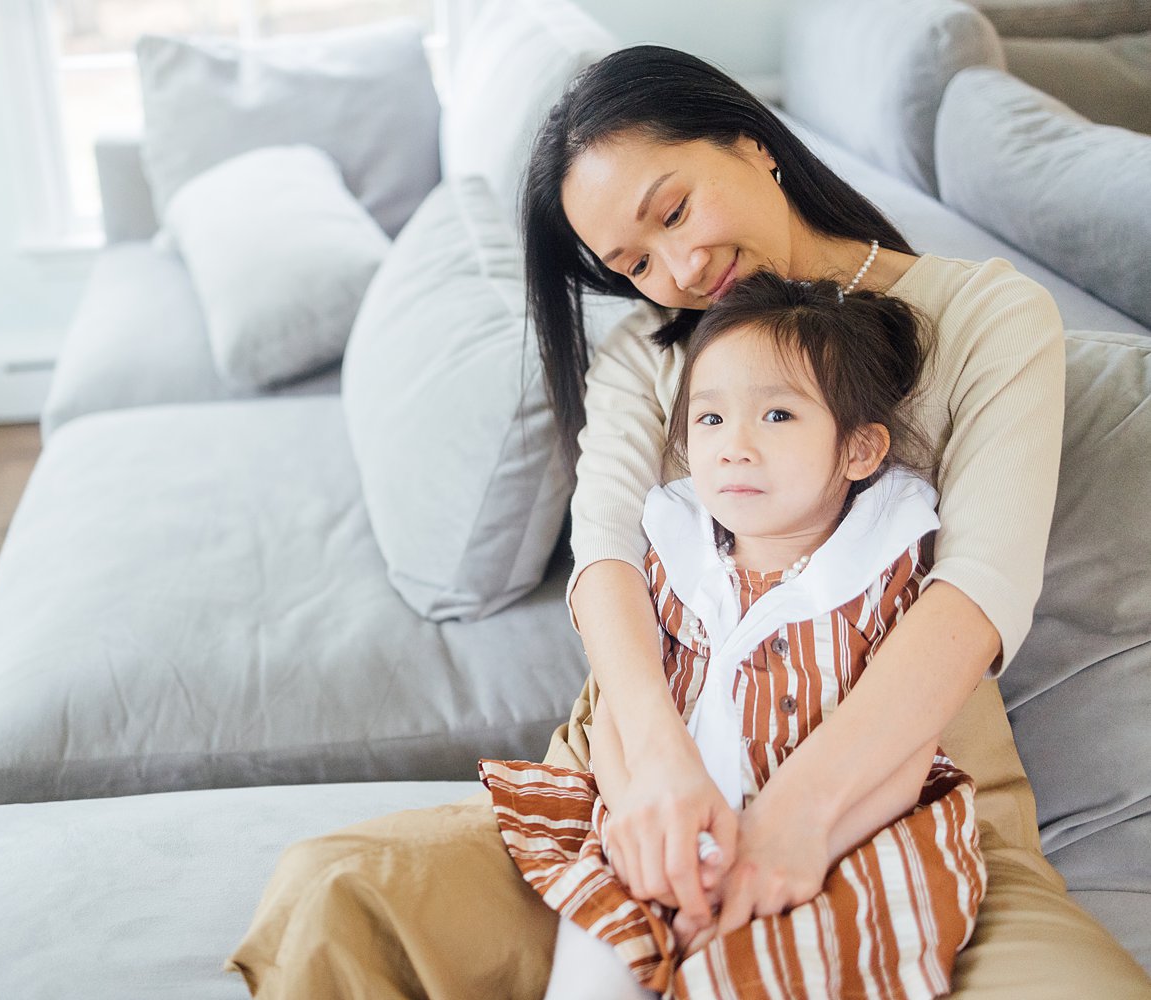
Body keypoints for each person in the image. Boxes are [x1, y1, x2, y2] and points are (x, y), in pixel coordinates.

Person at [227, 46, 1151, 998]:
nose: (679, 268)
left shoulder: (986, 315)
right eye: (634, 262)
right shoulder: (646, 358)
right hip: (644, 785)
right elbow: (607, 560)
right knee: (333, 893)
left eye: (673, 211)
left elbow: (978, 591)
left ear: (752, 145)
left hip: (906, 783)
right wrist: (658, 776)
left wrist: (793, 816)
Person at [479, 271, 987, 999]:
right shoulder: (671, 551)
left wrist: (789, 852)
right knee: (594, 963)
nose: (734, 447)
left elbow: (906, 753)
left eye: (778, 416)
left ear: (860, 451)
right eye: (710, 420)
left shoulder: (884, 563)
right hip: (656, 823)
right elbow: (623, 720)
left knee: (809, 959)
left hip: (841, 836)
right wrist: (641, 833)